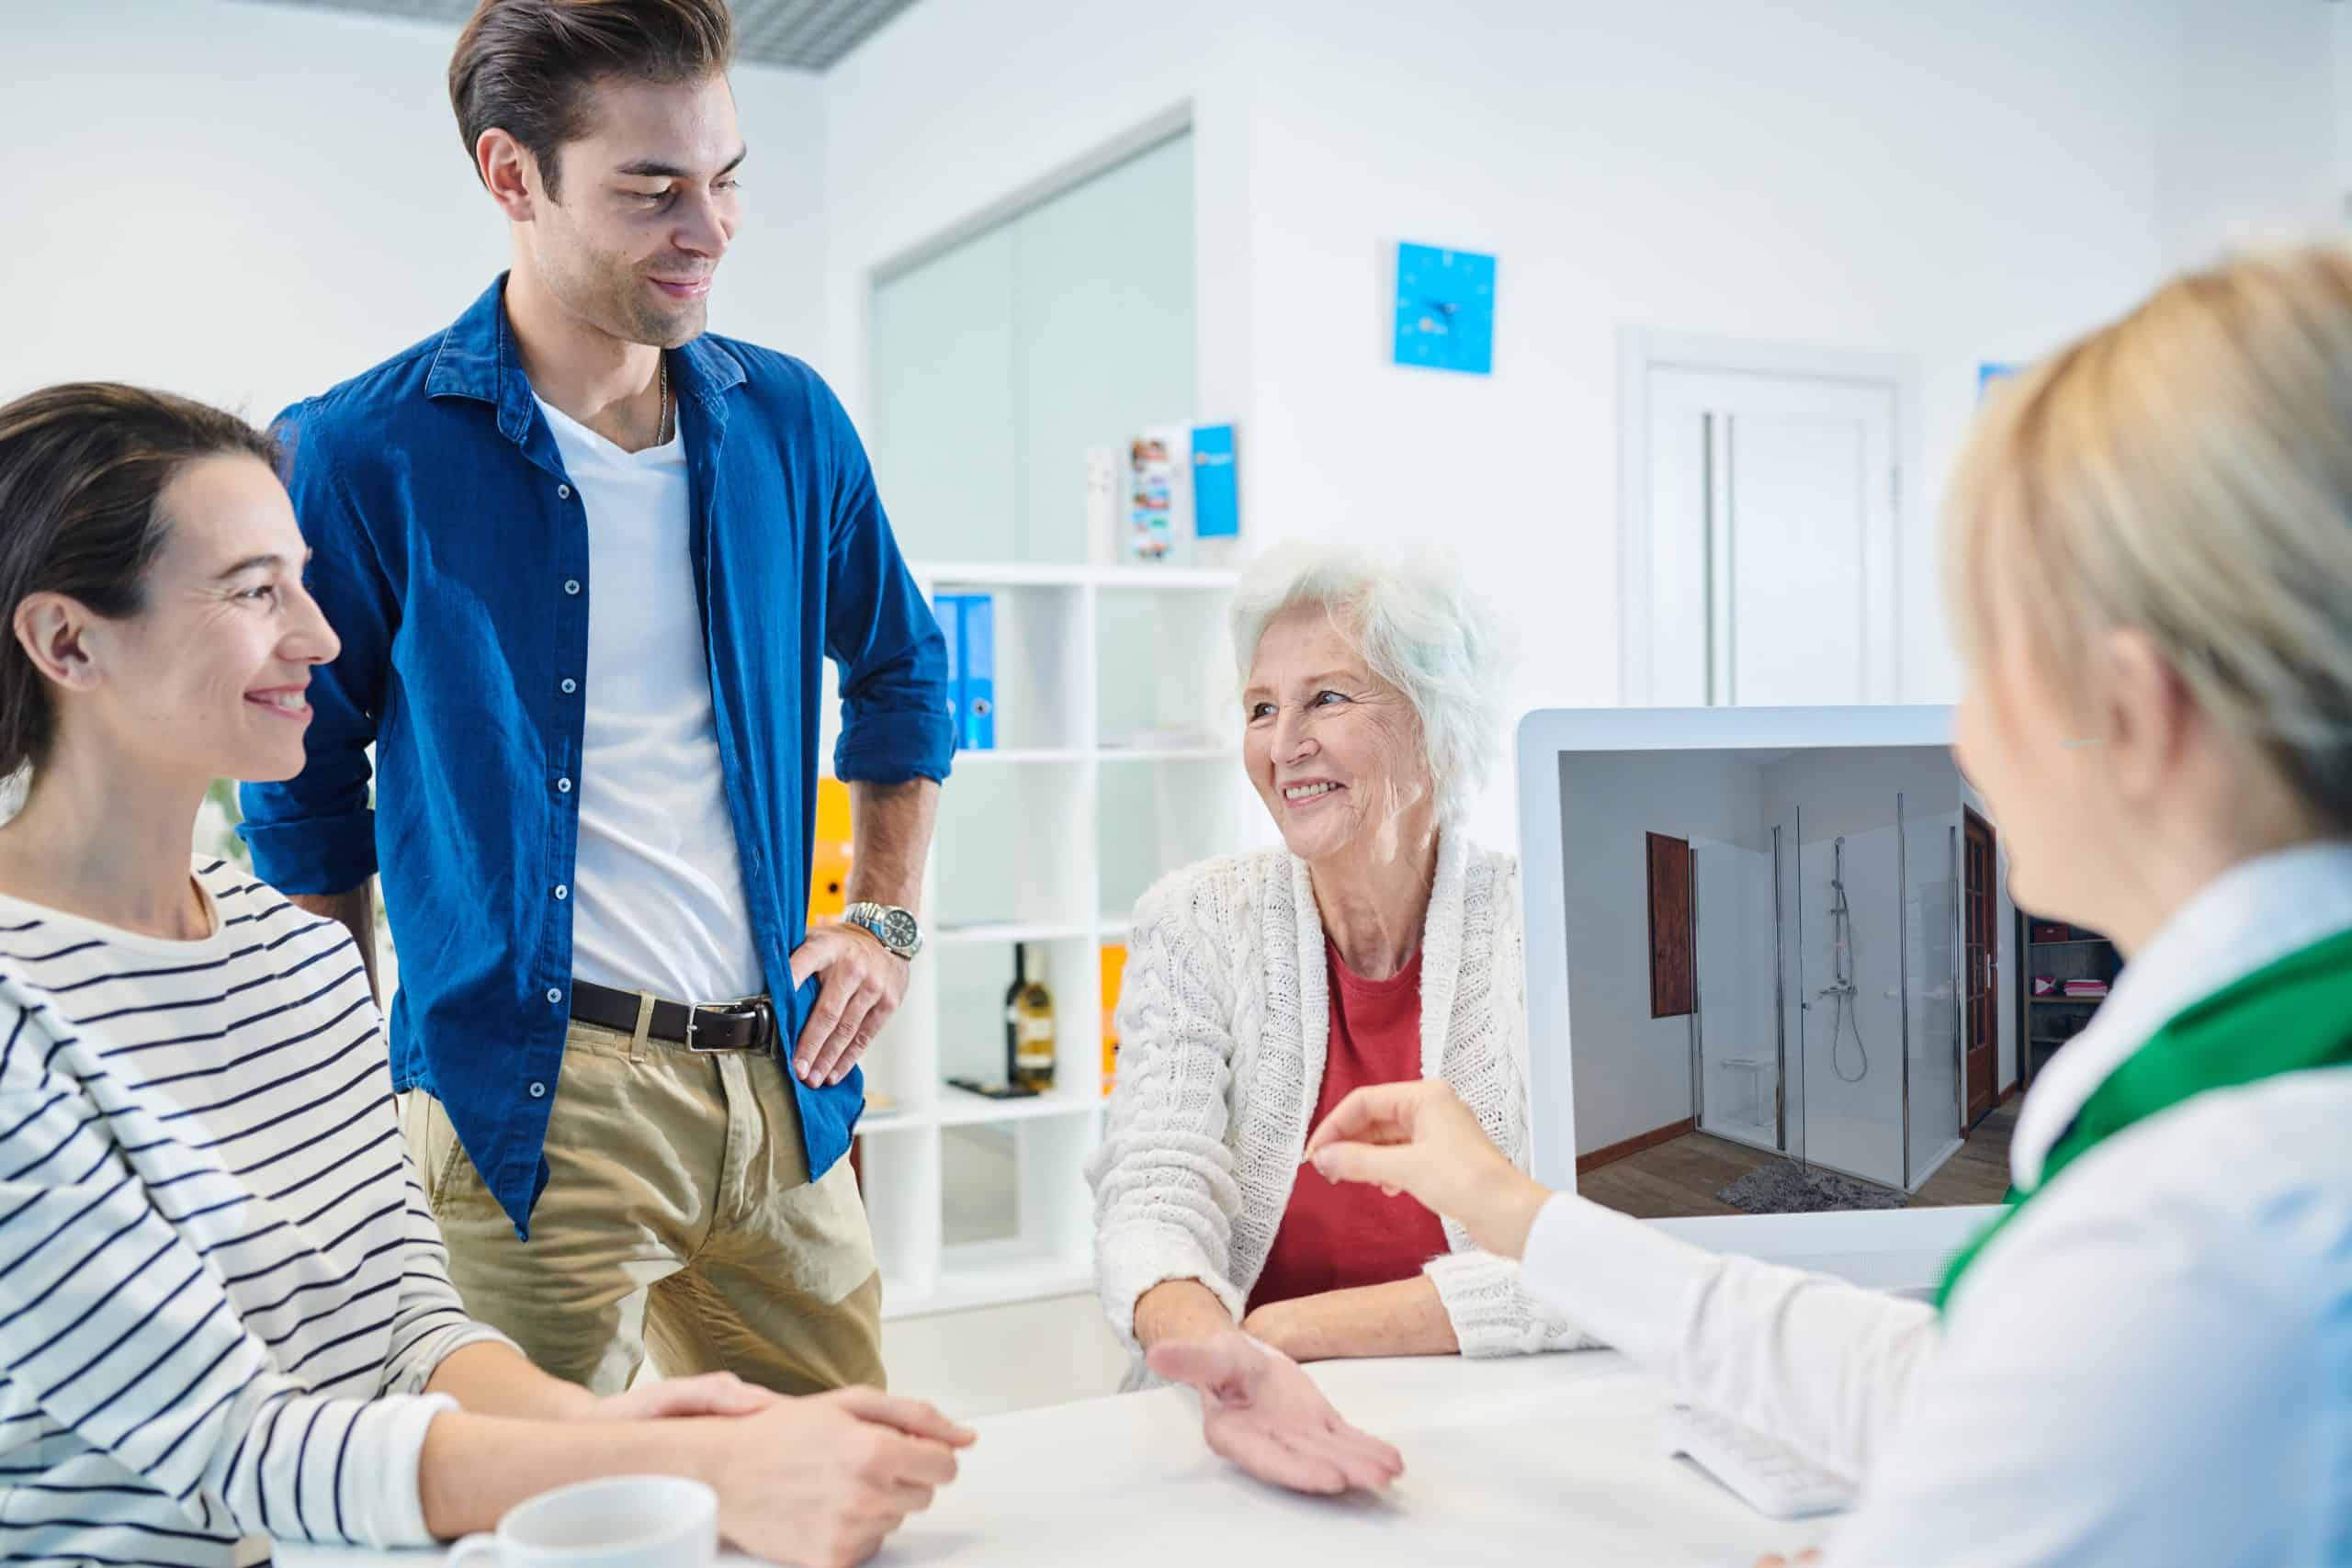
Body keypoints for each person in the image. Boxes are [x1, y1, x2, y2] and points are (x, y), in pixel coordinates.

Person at [1305, 245, 2352, 1564]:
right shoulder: (2256, 1121)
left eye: (1986, 664)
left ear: (2133, 716)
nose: (1964, 733)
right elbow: (1963, 1384)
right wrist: (1518, 1210)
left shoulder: (2200, 1226)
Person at [0, 383, 969, 1568]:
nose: (318, 635)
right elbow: (229, 1447)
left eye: (303, 580)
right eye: (257, 591)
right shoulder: (20, 1017)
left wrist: (631, 1427)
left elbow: (411, 1330)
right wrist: (674, 1463)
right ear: (66, 642)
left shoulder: (300, 962)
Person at [237, 0, 951, 1396]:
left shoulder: (789, 421)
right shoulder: (357, 453)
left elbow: (900, 670)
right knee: (531, 1519)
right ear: (513, 176)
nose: (711, 228)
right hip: (528, 1106)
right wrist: (338, 1111)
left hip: (781, 1085)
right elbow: (305, 807)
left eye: (727, 178)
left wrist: (884, 916)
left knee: (852, 1481)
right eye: (652, 189)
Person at [1087, 541, 1591, 1496]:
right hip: (1232, 1430)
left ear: (1435, 724)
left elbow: (1595, 1261)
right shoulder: (1194, 921)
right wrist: (1220, 1362)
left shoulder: (1549, 925)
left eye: (1327, 698)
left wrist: (1279, 1334)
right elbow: (1152, 1195)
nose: (1284, 747)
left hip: (1499, 1427)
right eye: (1260, 709)